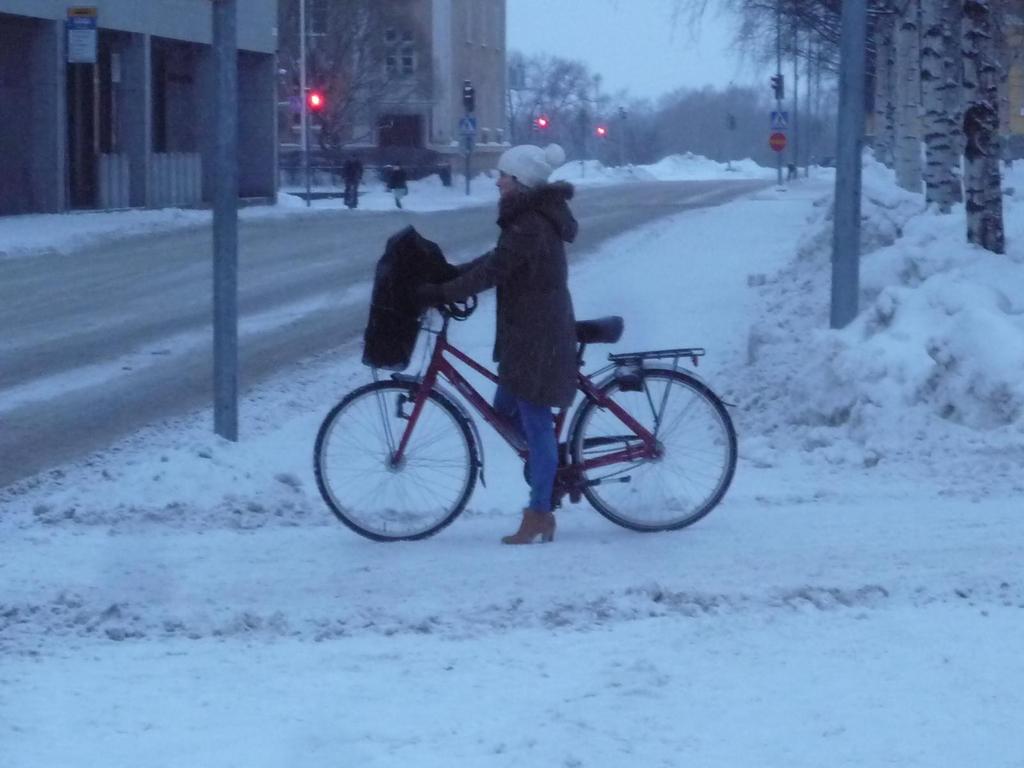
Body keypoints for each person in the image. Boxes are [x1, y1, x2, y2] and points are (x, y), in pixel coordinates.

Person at [416, 143, 577, 545]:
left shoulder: (531, 224)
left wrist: (443, 293)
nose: (498, 181)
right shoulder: (527, 220)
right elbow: (495, 260)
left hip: (537, 337)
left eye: (503, 175)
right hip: (526, 333)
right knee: (504, 409)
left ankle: (540, 510)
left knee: (535, 422)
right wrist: (451, 276)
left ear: (519, 182)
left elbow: (495, 270)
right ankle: (548, 467)